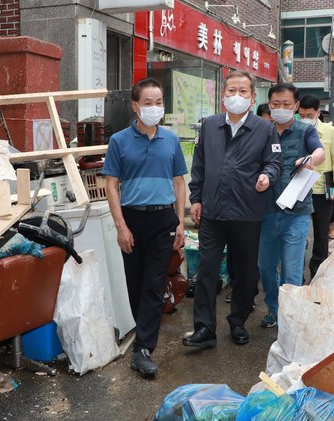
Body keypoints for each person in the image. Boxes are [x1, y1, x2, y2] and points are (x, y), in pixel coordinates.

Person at [183, 69, 282, 348]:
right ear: (222, 96)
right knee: (206, 269)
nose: (236, 96)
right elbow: (199, 166)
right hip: (213, 212)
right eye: (230, 91)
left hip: (247, 213)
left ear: (252, 98)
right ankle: (204, 329)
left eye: (242, 92)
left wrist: (268, 176)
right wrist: (196, 199)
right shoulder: (210, 125)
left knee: (244, 272)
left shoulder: (265, 129)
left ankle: (237, 321)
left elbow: (275, 162)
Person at [103, 77, 188, 378]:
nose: (155, 108)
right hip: (133, 219)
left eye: (159, 102)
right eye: (148, 103)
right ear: (136, 105)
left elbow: (179, 182)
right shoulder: (119, 141)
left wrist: (180, 221)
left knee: (154, 284)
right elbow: (111, 185)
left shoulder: (172, 140)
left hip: (164, 219)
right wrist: (120, 226)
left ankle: (143, 349)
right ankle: (142, 338)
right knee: (136, 284)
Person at [258, 83, 325, 328]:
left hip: (296, 214)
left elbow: (319, 152)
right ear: (269, 105)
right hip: (265, 212)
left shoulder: (304, 131)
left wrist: (309, 159)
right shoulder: (262, 131)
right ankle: (274, 309)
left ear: (296, 106)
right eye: (276, 104)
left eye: (287, 104)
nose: (281, 109)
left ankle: (291, 317)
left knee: (292, 270)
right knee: (265, 267)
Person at [225, 102, 272, 305]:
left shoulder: (268, 133)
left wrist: (267, 176)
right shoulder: (232, 131)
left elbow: (273, 164)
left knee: (254, 256)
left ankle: (251, 296)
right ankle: (241, 291)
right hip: (237, 206)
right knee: (236, 255)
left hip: (260, 208)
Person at [298, 95, 334, 281]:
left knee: (321, 234)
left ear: (318, 112)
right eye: (301, 115)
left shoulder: (330, 132)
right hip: (299, 188)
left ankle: (317, 274)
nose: (305, 118)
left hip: (322, 190)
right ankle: (297, 274)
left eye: (309, 115)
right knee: (298, 234)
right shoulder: (295, 129)